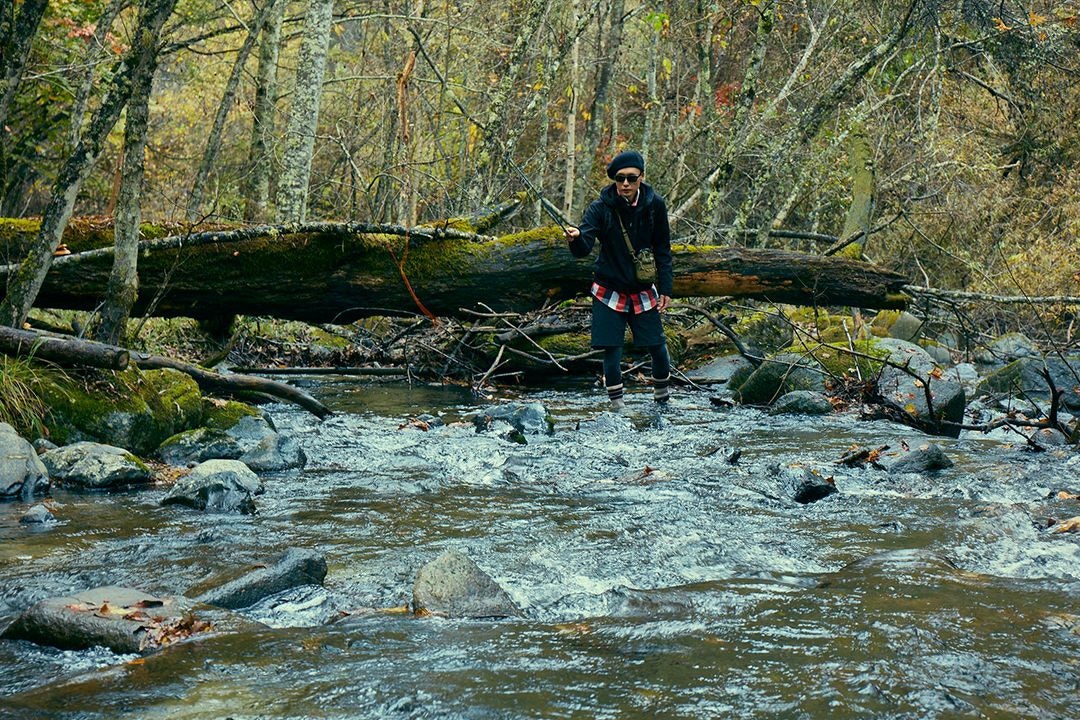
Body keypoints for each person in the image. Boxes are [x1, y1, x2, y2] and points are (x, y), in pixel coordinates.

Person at [565, 149, 673, 410]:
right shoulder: (600, 208)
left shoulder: (655, 205)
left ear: (641, 178)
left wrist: (667, 289)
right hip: (608, 290)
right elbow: (584, 247)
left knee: (658, 348)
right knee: (612, 351)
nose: (625, 183)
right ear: (614, 179)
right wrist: (575, 238)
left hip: (643, 289)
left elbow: (663, 249)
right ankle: (617, 408)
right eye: (620, 178)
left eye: (631, 178)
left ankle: (662, 401)